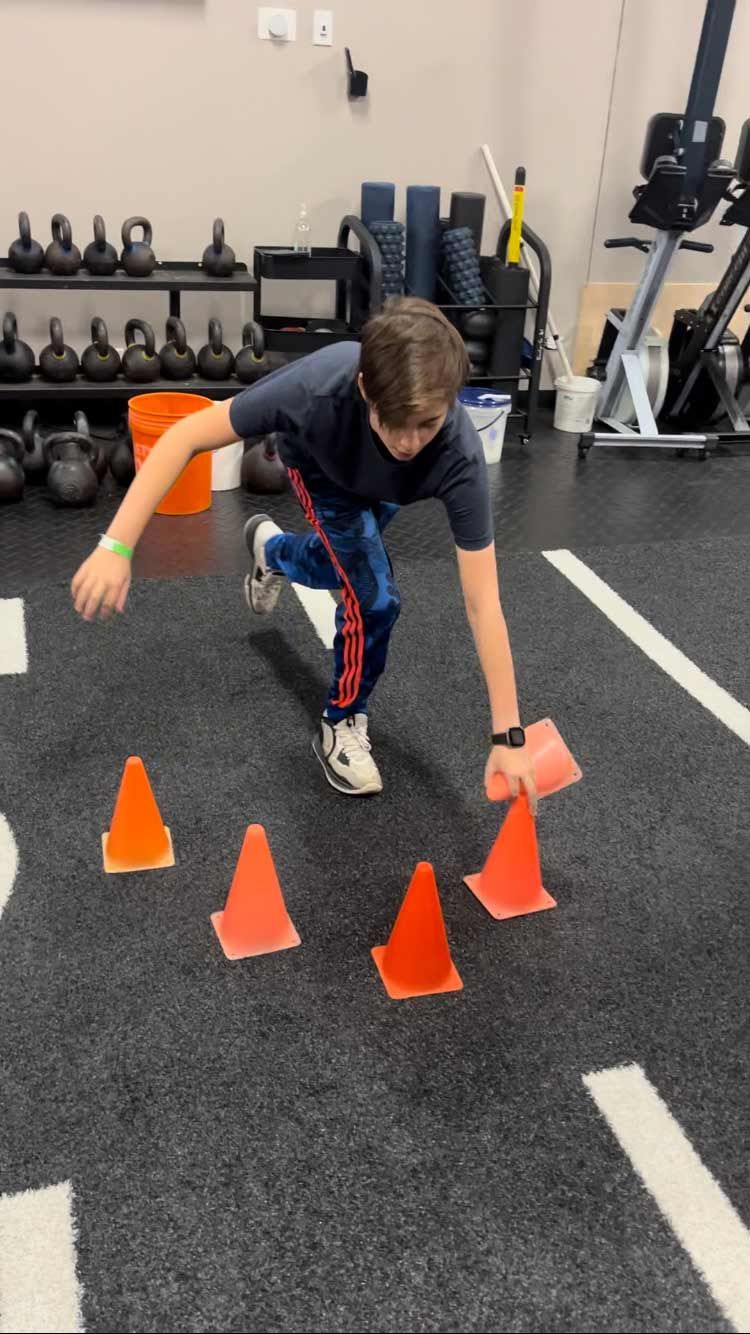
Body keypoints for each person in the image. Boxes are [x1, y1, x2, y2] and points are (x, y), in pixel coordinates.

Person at [71, 297, 537, 812]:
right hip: (322, 470)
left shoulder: (457, 455)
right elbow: (184, 436)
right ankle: (341, 722)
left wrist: (508, 737)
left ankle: (271, 549)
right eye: (395, 421)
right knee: (374, 599)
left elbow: (483, 601)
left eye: (426, 423)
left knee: (341, 561)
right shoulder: (314, 388)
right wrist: (115, 547)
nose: (409, 441)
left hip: (384, 486)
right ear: (365, 389)